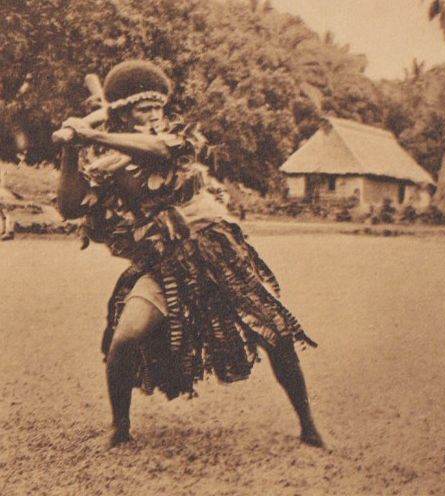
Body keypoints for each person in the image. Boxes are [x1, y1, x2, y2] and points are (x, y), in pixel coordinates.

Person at [56, 60, 323, 448]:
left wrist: (92, 135)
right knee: (125, 337)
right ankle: (120, 426)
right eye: (141, 109)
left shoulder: (179, 139)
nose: (152, 116)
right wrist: (70, 148)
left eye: (156, 108)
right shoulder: (108, 164)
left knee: (274, 332)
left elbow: (162, 151)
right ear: (123, 114)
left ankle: (309, 425)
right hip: (161, 261)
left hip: (214, 250)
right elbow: (71, 207)